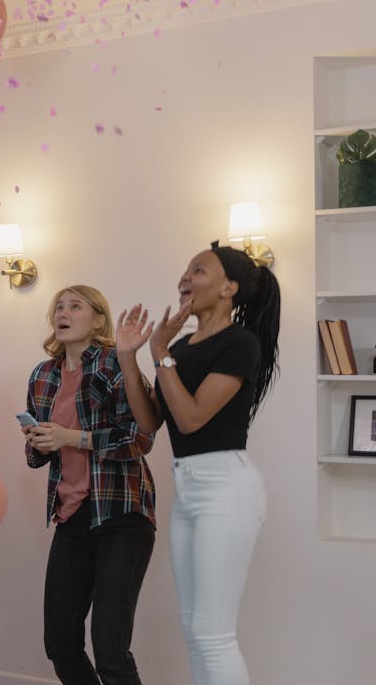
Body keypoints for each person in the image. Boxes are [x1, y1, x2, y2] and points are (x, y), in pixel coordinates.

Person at [116, 242, 280, 685]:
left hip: (227, 489)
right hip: (190, 491)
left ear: (229, 288)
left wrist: (159, 353)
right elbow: (151, 421)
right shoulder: (181, 347)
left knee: (213, 633)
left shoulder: (239, 344)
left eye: (199, 271)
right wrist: (131, 356)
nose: (185, 278)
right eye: (185, 271)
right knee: (194, 631)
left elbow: (189, 419)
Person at [21, 285, 157, 685]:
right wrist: (40, 441)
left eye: (74, 306)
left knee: (110, 648)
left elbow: (140, 437)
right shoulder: (42, 375)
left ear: (98, 319)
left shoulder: (117, 364)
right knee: (60, 642)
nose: (63, 312)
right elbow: (37, 457)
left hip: (121, 516)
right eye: (58, 307)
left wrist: (72, 438)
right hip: (72, 518)